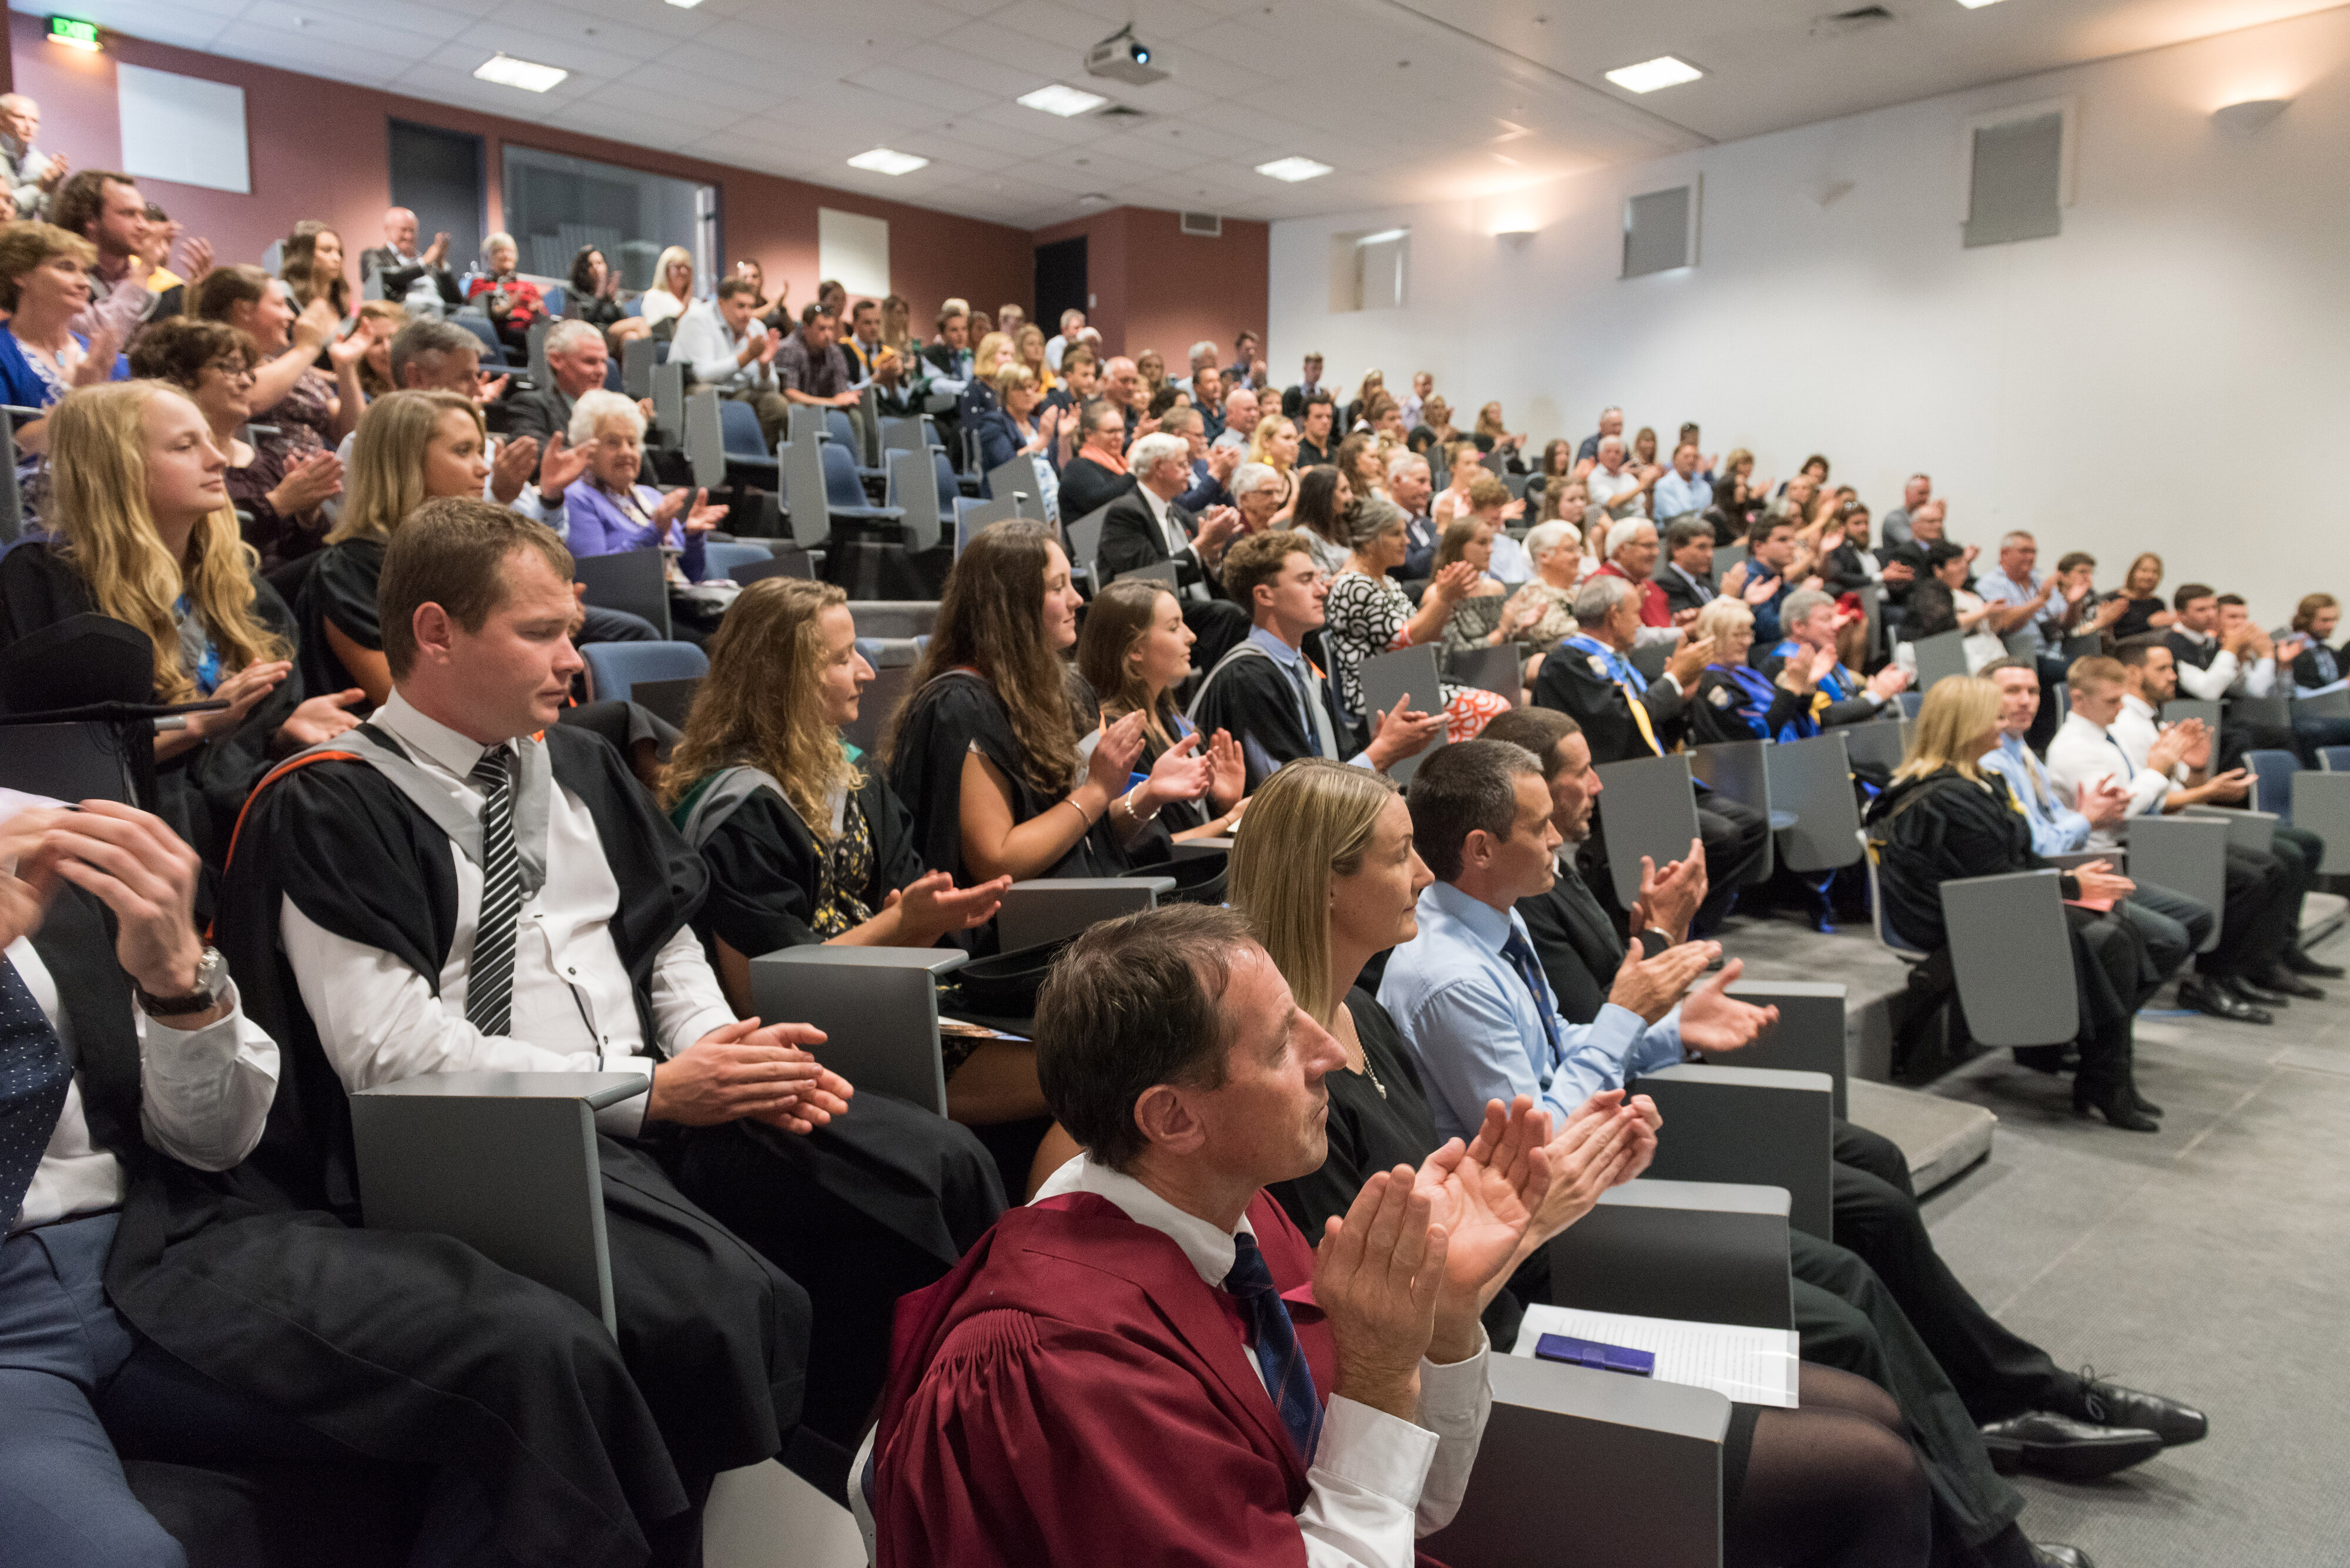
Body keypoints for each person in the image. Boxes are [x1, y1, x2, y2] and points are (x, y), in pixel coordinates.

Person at [223, 495, 1013, 1461]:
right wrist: (650, 1093)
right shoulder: (333, 801)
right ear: (435, 632)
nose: (575, 659)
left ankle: (889, 1465)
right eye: (542, 632)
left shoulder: (583, 765)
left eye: (575, 630)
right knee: (715, 1306)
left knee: (935, 1172)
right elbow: (390, 1053)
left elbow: (663, 936)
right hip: (512, 1138)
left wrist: (709, 1041)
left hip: (661, 1089)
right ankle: (747, 1507)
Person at [1477, 709, 2180, 1533]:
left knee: (1877, 1163)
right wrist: (1651, 981)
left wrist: (1662, 941)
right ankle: (1998, 1407)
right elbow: (1598, 1034)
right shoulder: (1500, 926)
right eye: (1578, 771)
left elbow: (1614, 1008)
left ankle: (1986, 1396)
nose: (1597, 784)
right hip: (1626, 1137)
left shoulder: (1544, 889)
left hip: (1645, 1099)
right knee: (1866, 1229)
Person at [863, 901, 1538, 1567]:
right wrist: (1381, 1376)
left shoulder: (1242, 1216)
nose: (1331, 1050)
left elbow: (1409, 1513)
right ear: (1173, 1118)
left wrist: (1444, 1321)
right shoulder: (1065, 1358)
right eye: (1282, 1042)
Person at [662, 577, 1032, 1110]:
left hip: (894, 1004)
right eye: (841, 658)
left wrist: (924, 923)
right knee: (1083, 1076)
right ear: (784, 679)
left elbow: (906, 916)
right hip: (813, 1047)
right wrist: (901, 926)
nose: (866, 671)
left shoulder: (856, 778)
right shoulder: (737, 810)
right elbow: (765, 991)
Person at [0, 382, 362, 879]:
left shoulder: (234, 581)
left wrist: (283, 730)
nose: (218, 460)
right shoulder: (43, 578)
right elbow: (51, 762)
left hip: (236, 832)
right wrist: (195, 726)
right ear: (118, 466)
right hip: (121, 858)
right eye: (185, 446)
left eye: (210, 441)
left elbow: (241, 742)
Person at [1868, 677, 2163, 1129]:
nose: (2003, 724)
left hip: (1988, 899)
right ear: (1966, 725)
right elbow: (1992, 882)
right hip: (1953, 917)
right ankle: (2106, 1078)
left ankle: (2102, 1073)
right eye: (1994, 716)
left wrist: (2069, 881)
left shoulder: (1979, 781)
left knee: (2118, 928)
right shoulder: (1946, 797)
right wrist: (2068, 885)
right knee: (2108, 939)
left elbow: (2016, 859)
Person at [887, 522, 1210, 906]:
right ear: (1012, 603)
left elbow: (1086, 832)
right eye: (1057, 587)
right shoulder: (958, 704)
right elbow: (996, 860)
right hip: (1017, 938)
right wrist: (1096, 791)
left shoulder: (1069, 693)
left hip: (1092, 908)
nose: (1076, 599)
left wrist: (1147, 796)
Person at [2045, 649, 2309, 1022]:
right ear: (2079, 699)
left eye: (2121, 699)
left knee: (2268, 866)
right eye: (2112, 701)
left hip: (2143, 835)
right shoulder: (2076, 748)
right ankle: (2203, 984)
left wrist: (2193, 770)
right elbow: (2119, 811)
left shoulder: (2104, 737)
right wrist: (2158, 770)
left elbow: (2161, 798)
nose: (2120, 708)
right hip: (2114, 851)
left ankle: (2234, 973)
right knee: (2245, 881)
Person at [1530, 576, 1768, 929]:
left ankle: (1682, 925)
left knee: (1752, 826)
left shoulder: (1618, 662)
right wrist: (1671, 682)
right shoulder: (1569, 663)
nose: (1641, 622)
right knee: (1723, 837)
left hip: (1654, 777)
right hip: (1618, 785)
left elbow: (1650, 725)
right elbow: (1618, 725)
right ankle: (1667, 928)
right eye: (1636, 613)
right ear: (1613, 615)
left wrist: (1681, 697)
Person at [128, 315, 343, 572]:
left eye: (247, 370)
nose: (246, 381)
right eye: (230, 368)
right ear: (181, 377)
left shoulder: (267, 456)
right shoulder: (167, 466)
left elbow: (304, 556)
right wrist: (276, 505)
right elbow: (195, 549)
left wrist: (307, 516)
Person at [1075, 579, 1249, 842]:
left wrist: (1223, 803)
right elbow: (1149, 851)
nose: (1191, 636)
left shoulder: (1170, 718)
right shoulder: (1117, 737)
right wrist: (1229, 820)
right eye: (1174, 627)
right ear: (1136, 649)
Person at [1323, 499, 1511, 738]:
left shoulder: (1387, 582)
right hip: (1378, 693)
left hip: (1408, 683)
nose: (1407, 541)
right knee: (1495, 710)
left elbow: (1427, 638)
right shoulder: (1354, 584)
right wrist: (1443, 598)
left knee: (1500, 706)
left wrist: (1449, 599)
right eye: (1396, 534)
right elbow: (1402, 643)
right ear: (1370, 542)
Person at [562, 390, 728, 634]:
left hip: (676, 605)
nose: (626, 452)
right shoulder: (578, 498)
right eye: (613, 442)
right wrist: (654, 531)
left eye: (632, 442)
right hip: (632, 611)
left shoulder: (650, 497)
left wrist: (692, 537)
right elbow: (598, 579)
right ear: (587, 449)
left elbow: (690, 575)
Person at [1098, 429, 1252, 669]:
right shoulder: (1126, 512)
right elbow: (1147, 578)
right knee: (1227, 616)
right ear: (1158, 467)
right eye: (1182, 465)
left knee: (1250, 604)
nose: (1190, 472)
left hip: (1185, 607)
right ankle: (1215, 693)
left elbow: (1202, 564)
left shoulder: (1179, 512)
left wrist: (1212, 556)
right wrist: (1202, 545)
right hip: (1145, 614)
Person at [197, 263, 364, 459]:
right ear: (245, 309)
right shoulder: (213, 368)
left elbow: (355, 435)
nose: (291, 315)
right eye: (279, 305)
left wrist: (345, 367)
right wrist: (307, 348)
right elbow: (247, 399)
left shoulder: (290, 366)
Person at [0, 221, 129, 462]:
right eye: (67, 268)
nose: (84, 283)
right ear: (20, 274)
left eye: (86, 272)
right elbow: (5, 453)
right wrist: (76, 397)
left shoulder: (105, 357)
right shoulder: (3, 351)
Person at [1758, 589, 1910, 723]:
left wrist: (1880, 686)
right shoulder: (1782, 663)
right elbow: (1822, 716)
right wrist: (1875, 696)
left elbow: (1847, 693)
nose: (1835, 626)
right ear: (1799, 626)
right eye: (1826, 619)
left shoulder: (1821, 656)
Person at [673, 277, 789, 449]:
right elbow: (702, 374)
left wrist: (764, 366)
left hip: (738, 392)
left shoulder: (756, 328)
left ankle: (754, 461)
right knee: (705, 394)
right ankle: (707, 463)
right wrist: (748, 356)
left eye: (751, 306)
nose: (747, 313)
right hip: (696, 390)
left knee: (776, 404)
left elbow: (772, 386)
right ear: (721, 303)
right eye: (741, 306)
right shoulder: (698, 319)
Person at [360, 204, 462, 316]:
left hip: (441, 314)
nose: (409, 236)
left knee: (470, 313)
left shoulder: (426, 260)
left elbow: (456, 300)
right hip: (406, 315)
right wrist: (423, 264)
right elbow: (380, 279)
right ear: (387, 229)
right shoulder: (374, 255)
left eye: (412, 231)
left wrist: (440, 264)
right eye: (403, 230)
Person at [465, 233, 546, 358]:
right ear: (487, 257)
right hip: (500, 333)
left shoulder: (528, 286)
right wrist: (508, 307)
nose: (506, 255)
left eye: (510, 251)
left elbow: (543, 315)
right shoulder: (480, 284)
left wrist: (538, 312)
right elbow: (480, 315)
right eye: (499, 251)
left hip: (530, 332)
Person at [1056, 397, 1137, 522]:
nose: (1119, 437)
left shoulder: (1121, 465)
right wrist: (1132, 471)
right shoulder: (1078, 467)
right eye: (1111, 431)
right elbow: (1099, 502)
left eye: (1121, 430)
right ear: (1089, 435)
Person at [562, 243, 651, 346]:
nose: (597, 267)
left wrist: (612, 299)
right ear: (584, 268)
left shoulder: (608, 291)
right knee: (640, 322)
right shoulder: (575, 291)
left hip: (611, 334)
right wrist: (600, 295)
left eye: (600, 263)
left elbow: (622, 319)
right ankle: (653, 362)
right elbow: (585, 322)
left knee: (631, 337)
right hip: (595, 333)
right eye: (592, 264)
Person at [0, 92, 63, 220]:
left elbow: (51, 220)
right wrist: (39, 189)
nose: (29, 126)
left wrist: (52, 191)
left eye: (34, 121)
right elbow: (3, 208)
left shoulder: (44, 164)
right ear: (2, 121)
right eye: (19, 117)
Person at [279, 219, 351, 320]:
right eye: (327, 250)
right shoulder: (284, 297)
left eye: (339, 252)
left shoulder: (343, 304)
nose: (337, 258)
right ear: (304, 255)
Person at [1584, 435, 1658, 520]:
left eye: (1617, 452)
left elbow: (1644, 506)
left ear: (1623, 456)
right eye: (1608, 451)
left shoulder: (1628, 478)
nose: (1613, 456)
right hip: (1619, 526)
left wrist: (1650, 489)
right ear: (1599, 455)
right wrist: (1643, 485)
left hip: (1641, 522)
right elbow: (1613, 502)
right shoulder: (1595, 477)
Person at [1657, 518, 1717, 619]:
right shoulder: (1666, 584)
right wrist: (1727, 597)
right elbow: (1691, 623)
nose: (1710, 554)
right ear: (1677, 550)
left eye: (1711, 547)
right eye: (1702, 547)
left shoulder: (1703, 579)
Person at [2106, 552, 2172, 640]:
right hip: (2123, 650)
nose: (2149, 576)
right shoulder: (2115, 599)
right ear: (2133, 573)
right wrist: (2149, 624)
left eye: (2155, 572)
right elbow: (2112, 635)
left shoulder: (2158, 604)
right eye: (2144, 571)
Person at [2288, 592, 2345, 692]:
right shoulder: (2292, 651)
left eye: (2334, 619)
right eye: (2325, 620)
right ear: (2306, 620)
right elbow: (2299, 694)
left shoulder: (2329, 651)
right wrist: (2346, 684)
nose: (2331, 626)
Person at [639, 244, 696, 331]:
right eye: (678, 267)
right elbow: (657, 334)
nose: (684, 271)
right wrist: (684, 311)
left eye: (687, 267)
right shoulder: (653, 297)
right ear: (665, 269)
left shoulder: (696, 303)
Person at [1652, 441, 1711, 522]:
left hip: (1701, 531)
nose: (1691, 460)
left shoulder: (1705, 488)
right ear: (1675, 459)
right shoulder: (1664, 485)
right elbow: (1673, 519)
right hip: (1672, 531)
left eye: (1695, 457)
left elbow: (1707, 516)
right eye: (1686, 457)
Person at [1881, 474, 1931, 547]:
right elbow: (1916, 546)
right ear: (1907, 493)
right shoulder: (1895, 518)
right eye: (1921, 493)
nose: (1925, 498)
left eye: (1928, 494)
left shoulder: (1925, 519)